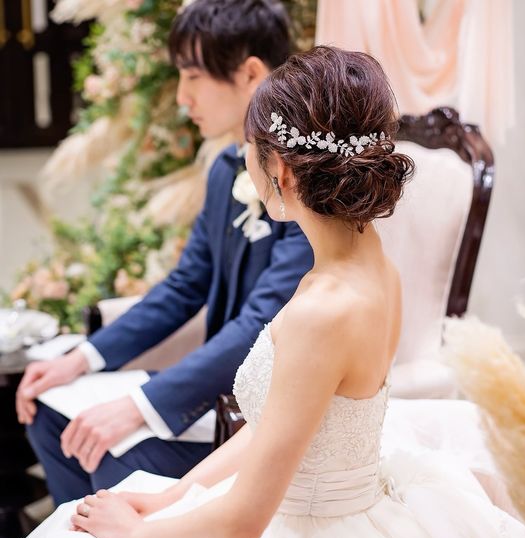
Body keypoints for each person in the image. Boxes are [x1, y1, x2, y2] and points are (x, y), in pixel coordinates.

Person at [1, 46, 525, 538]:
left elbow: (245, 521)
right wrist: (171, 497)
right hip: (334, 507)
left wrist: (135, 534)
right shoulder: (375, 267)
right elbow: (279, 426)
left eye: (251, 146)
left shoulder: (323, 311)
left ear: (282, 171)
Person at [14, 0, 313, 505]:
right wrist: (81, 358)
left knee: (107, 454)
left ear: (250, 74)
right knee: (51, 419)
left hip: (263, 406)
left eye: (192, 76)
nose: (181, 97)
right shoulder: (226, 168)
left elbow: (262, 323)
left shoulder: (306, 183)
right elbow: (184, 285)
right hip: (215, 383)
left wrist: (140, 406)